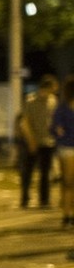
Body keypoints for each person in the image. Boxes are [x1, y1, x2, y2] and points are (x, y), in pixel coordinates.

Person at [19, 75, 58, 210]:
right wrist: (31, 141)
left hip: (48, 142)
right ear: (44, 88)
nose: (51, 93)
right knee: (28, 172)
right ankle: (24, 199)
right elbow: (24, 122)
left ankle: (44, 200)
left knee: (45, 173)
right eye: (50, 90)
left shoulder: (53, 101)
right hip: (33, 141)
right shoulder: (31, 101)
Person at [53, 76, 74, 227]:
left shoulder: (62, 108)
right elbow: (55, 128)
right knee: (68, 182)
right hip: (67, 148)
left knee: (69, 183)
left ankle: (68, 213)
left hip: (66, 146)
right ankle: (67, 214)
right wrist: (59, 131)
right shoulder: (62, 108)